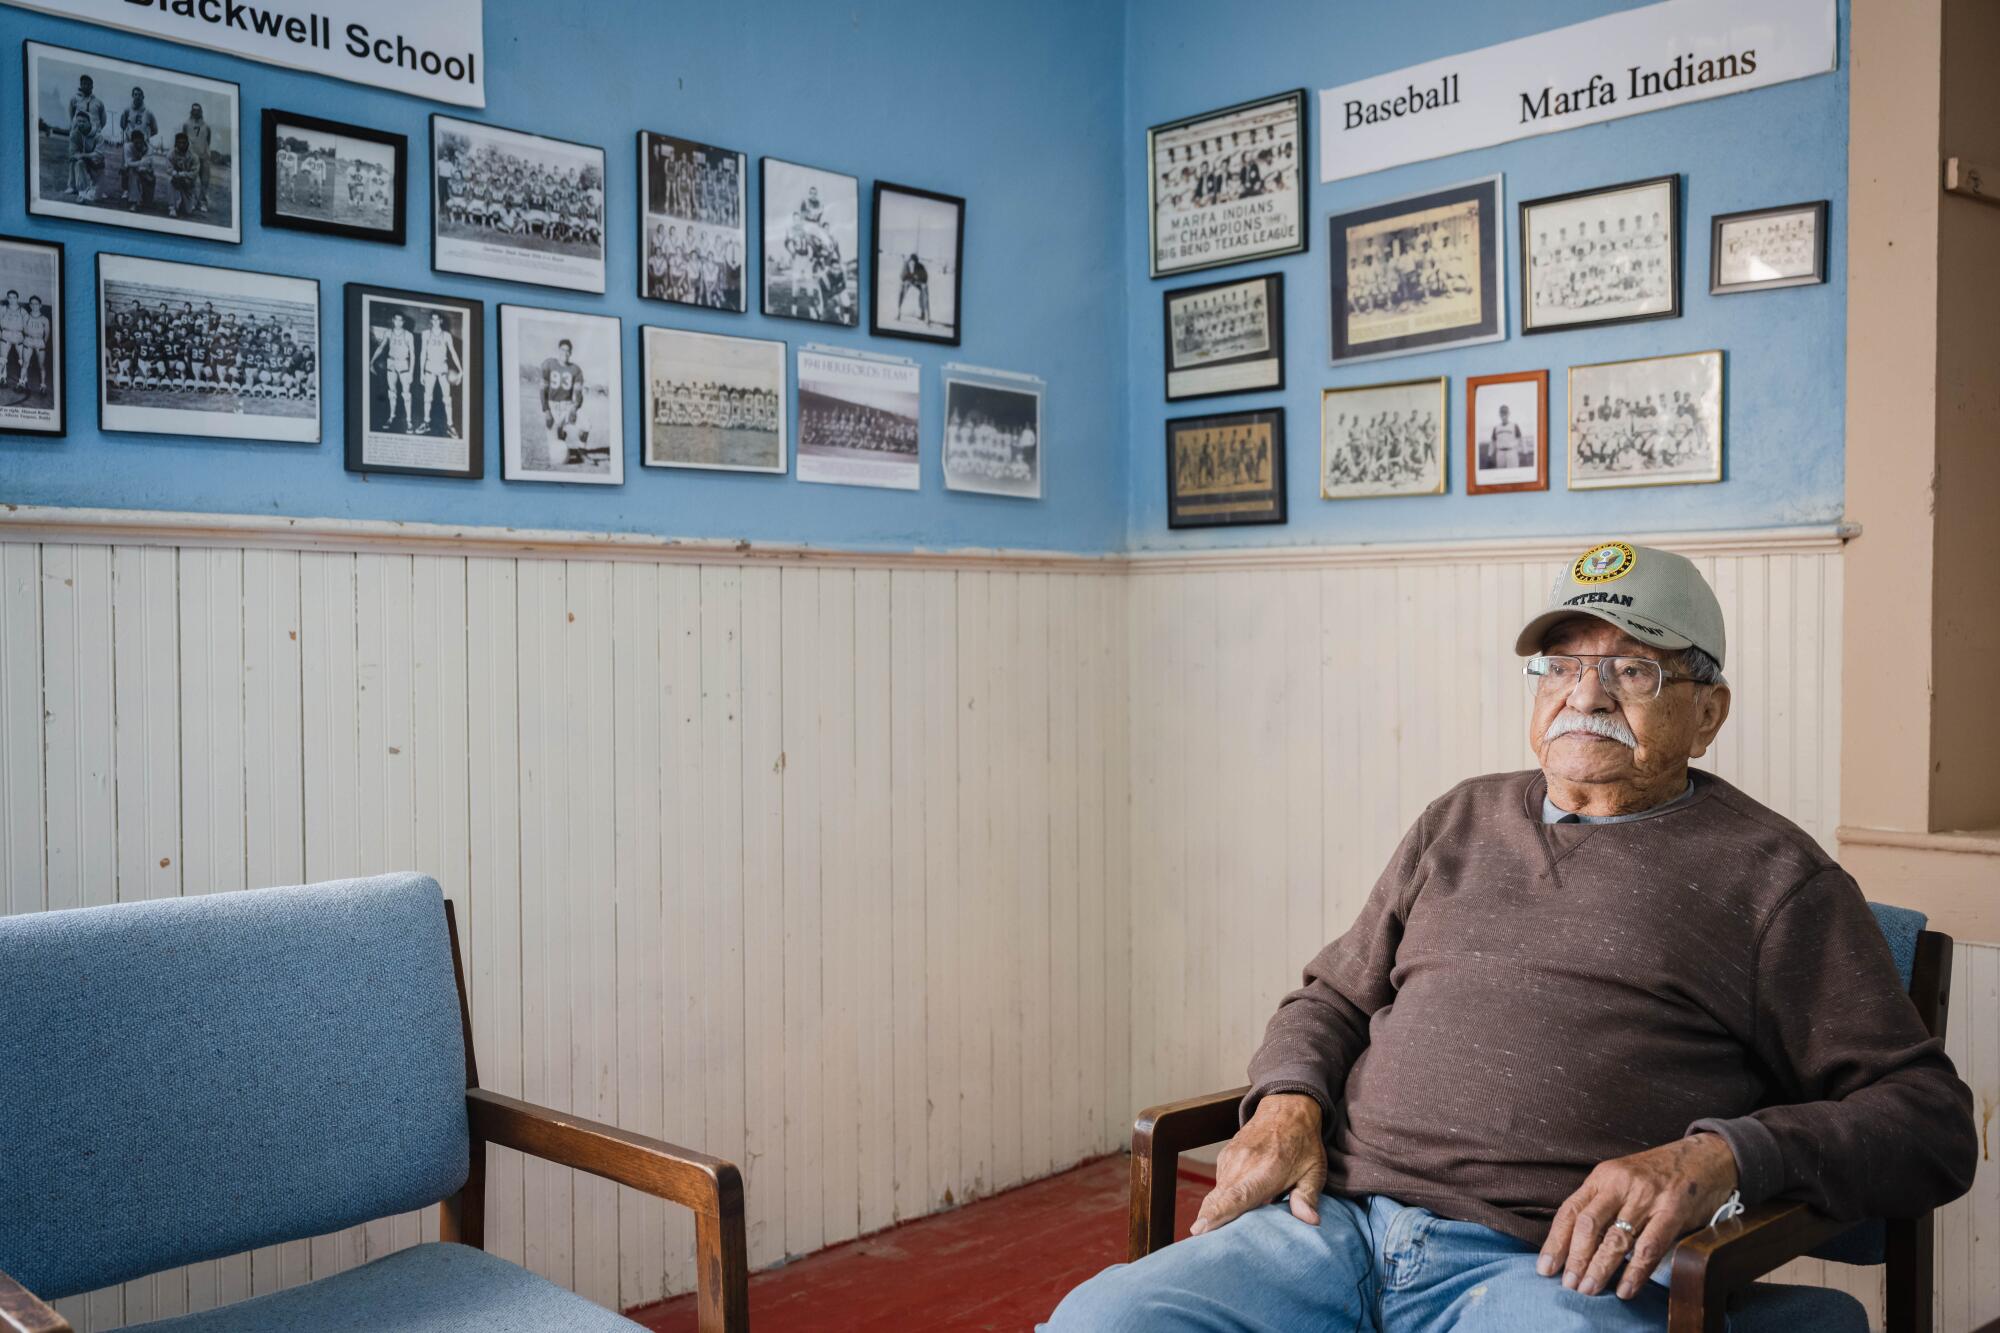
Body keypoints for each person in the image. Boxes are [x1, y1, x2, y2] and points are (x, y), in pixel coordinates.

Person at [1044, 540, 1978, 1332]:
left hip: (1541, 1275)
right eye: (1562, 665)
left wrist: (1723, 1155)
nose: (1587, 694)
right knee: (1099, 1321)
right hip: (1329, 1226)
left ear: (1708, 711)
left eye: (1632, 668)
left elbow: (1927, 1121)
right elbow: (1331, 997)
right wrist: (1288, 1099)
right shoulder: (1459, 819)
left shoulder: (1776, 879)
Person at [540, 338, 590, 465]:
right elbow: (543, 390)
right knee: (556, 454)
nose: (565, 353)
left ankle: (582, 450)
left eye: (568, 351)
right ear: (558, 350)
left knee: (586, 424)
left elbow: (578, 392)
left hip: (568, 405)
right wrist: (546, 410)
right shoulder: (548, 364)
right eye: (563, 350)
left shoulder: (575, 369)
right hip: (552, 405)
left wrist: (574, 407)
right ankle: (561, 434)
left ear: (571, 353)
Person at [417, 311, 461, 436]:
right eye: (433, 319)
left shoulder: (446, 335)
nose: (435, 322)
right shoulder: (425, 334)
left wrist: (460, 369)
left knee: (447, 399)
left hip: (443, 368)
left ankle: (450, 425)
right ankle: (426, 423)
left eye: (437, 319)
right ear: (431, 321)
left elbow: (453, 353)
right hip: (429, 368)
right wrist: (420, 373)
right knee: (427, 398)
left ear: (441, 321)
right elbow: (422, 353)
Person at [370, 311, 415, 431]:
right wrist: (371, 361)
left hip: (404, 364)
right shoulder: (388, 333)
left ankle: (409, 421)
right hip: (392, 363)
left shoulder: (408, 335)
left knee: (406, 394)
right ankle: (391, 417)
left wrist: (411, 372)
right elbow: (381, 347)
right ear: (393, 320)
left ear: (403, 322)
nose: (398, 322)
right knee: (392, 392)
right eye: (396, 320)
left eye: (401, 320)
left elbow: (413, 354)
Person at [117, 86, 158, 211]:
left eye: (139, 94)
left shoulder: (149, 112)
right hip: (130, 142)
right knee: (126, 167)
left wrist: (145, 137)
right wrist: (131, 136)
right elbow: (122, 125)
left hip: (143, 144)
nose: (137, 96)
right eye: (135, 94)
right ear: (132, 96)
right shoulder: (127, 110)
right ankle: (126, 190)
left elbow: (155, 129)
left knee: (143, 169)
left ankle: (143, 194)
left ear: (143, 97)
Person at [180, 102, 211, 213]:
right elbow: (183, 140)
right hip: (191, 158)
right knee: (190, 180)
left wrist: (204, 152)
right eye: (194, 110)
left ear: (201, 111)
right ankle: (191, 202)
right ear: (191, 111)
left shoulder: (206, 126)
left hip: (204, 157)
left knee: (204, 181)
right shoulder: (186, 124)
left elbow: (208, 141)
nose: (196, 112)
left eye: (198, 110)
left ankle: (202, 203)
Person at [898, 251, 930, 325]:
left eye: (913, 261)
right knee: (902, 290)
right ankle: (898, 312)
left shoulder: (920, 266)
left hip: (921, 283)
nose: (912, 263)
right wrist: (908, 279)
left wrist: (918, 279)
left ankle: (925, 315)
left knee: (923, 294)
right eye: (911, 261)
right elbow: (903, 276)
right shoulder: (907, 265)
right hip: (911, 281)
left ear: (916, 261)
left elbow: (925, 278)